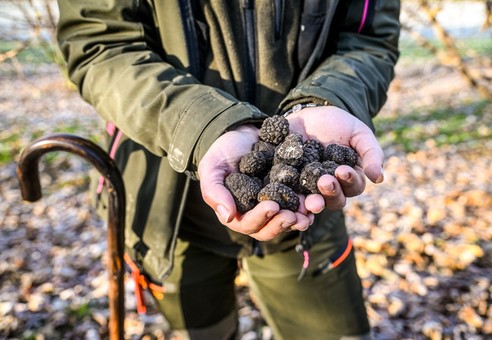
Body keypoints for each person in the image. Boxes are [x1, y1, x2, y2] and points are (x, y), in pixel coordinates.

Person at [56, 0, 400, 339]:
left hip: (309, 216)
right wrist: (206, 127)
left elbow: (368, 39)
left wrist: (328, 100)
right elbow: (99, 45)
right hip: (169, 208)